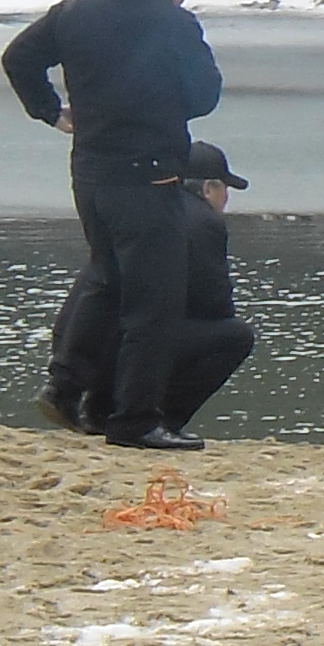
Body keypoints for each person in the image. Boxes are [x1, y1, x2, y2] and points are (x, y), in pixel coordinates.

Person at [1, 0, 225, 449]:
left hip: (90, 172)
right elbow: (204, 96)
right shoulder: (174, 21)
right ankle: (135, 420)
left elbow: (18, 58)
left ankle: (64, 387)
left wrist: (51, 111)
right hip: (148, 177)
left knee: (106, 277)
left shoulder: (76, 10)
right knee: (155, 302)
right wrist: (157, 99)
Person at [45, 136, 255, 437]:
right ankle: (158, 422)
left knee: (141, 314)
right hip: (125, 352)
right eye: (225, 189)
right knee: (234, 336)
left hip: (73, 350)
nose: (226, 199)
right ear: (209, 188)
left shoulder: (136, 209)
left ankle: (102, 411)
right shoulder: (203, 221)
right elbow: (216, 305)